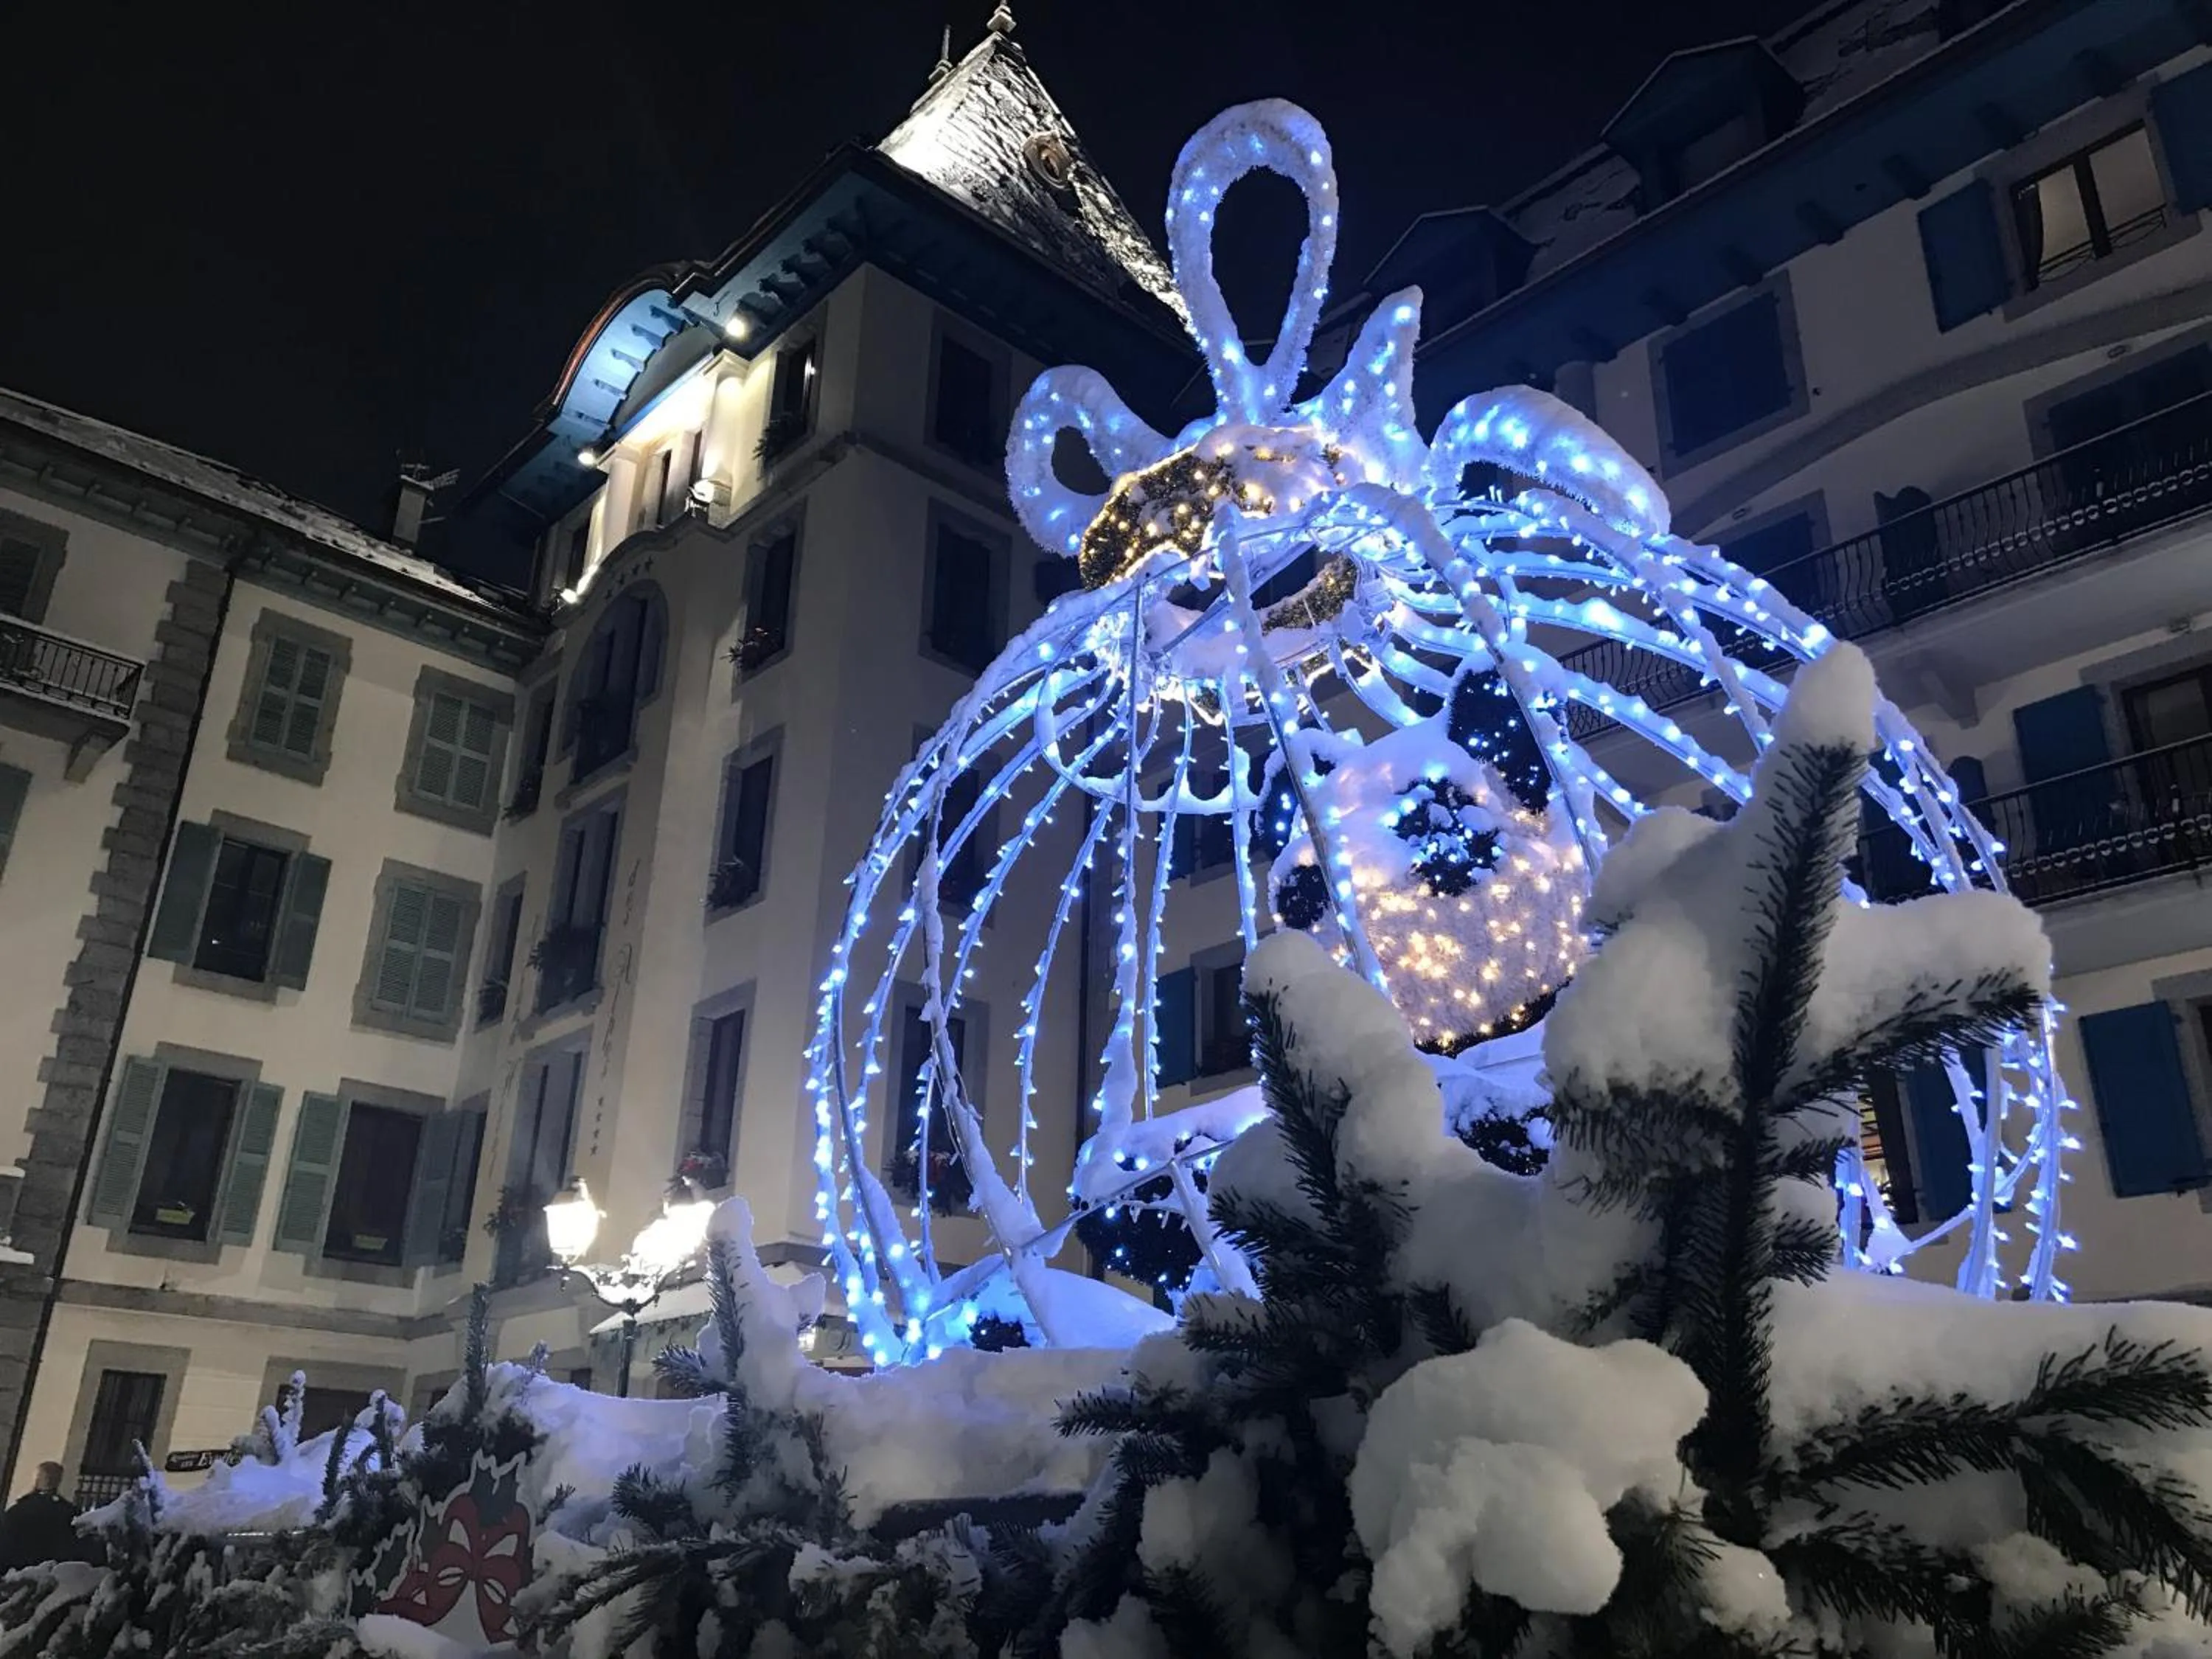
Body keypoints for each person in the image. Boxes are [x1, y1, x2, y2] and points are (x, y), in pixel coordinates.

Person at [0, 1463, 93, 1571]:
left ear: (37, 1479)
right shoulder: (70, 1513)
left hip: (17, 1572)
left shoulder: (17, 1511)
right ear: (59, 1481)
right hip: (54, 1575)